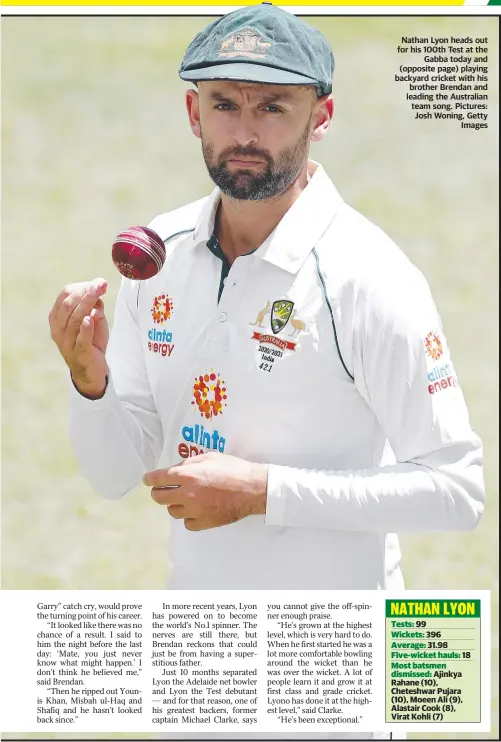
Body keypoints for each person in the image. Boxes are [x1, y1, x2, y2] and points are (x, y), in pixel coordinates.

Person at [49, 4, 484, 739]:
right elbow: (109, 474)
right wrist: (89, 381)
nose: (245, 133)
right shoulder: (155, 257)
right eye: (225, 104)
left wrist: (263, 494)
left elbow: (456, 492)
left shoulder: (368, 280)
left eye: (273, 107)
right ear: (194, 112)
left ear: (322, 116)